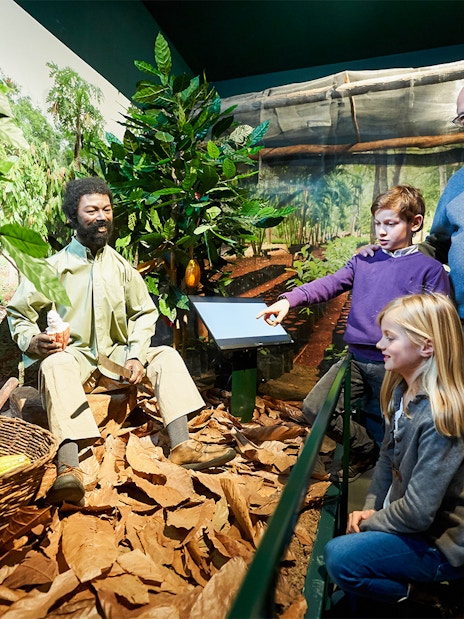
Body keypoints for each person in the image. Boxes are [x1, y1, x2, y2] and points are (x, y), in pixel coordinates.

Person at [7, 177, 235, 505]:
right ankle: (68, 466)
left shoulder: (122, 268)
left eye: (107, 209)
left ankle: (182, 444)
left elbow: (144, 314)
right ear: (72, 216)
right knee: (55, 362)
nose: (101, 217)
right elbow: (19, 313)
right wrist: (31, 340)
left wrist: (135, 356)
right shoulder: (52, 268)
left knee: (166, 357)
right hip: (73, 362)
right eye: (91, 211)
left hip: (115, 363)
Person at [257, 185, 449, 480]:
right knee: (315, 406)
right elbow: (330, 284)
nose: (381, 232)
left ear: (415, 223)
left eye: (391, 223)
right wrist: (288, 300)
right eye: (377, 224)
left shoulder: (430, 270)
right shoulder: (364, 260)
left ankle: (391, 485)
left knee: (395, 427)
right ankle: (365, 450)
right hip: (355, 360)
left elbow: (438, 325)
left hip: (400, 367)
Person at [324, 293, 464, 618]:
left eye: (390, 337)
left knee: (340, 558)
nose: (379, 345)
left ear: (426, 346)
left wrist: (373, 523)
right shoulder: (400, 390)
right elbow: (387, 457)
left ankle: (428, 598)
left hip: (441, 541)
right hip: (410, 523)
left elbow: (417, 513)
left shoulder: (439, 417)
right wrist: (370, 509)